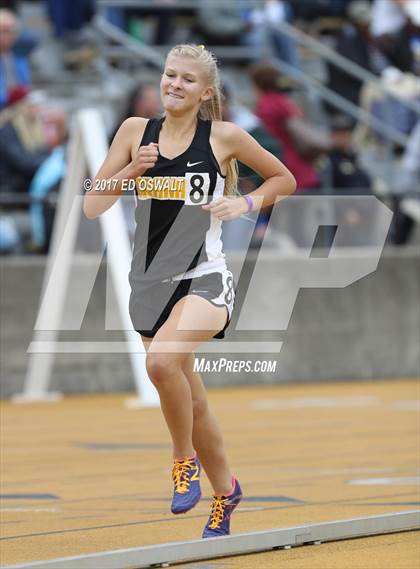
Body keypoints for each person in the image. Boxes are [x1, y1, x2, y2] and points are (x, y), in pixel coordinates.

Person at [83, 44, 296, 539]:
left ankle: (183, 461)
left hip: (205, 277)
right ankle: (226, 492)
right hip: (150, 284)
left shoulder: (224, 137)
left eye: (186, 79)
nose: (174, 84)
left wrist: (244, 203)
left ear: (205, 92)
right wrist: (131, 171)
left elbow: (282, 178)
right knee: (192, 401)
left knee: (160, 364)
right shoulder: (135, 132)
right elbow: (93, 204)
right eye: (169, 75)